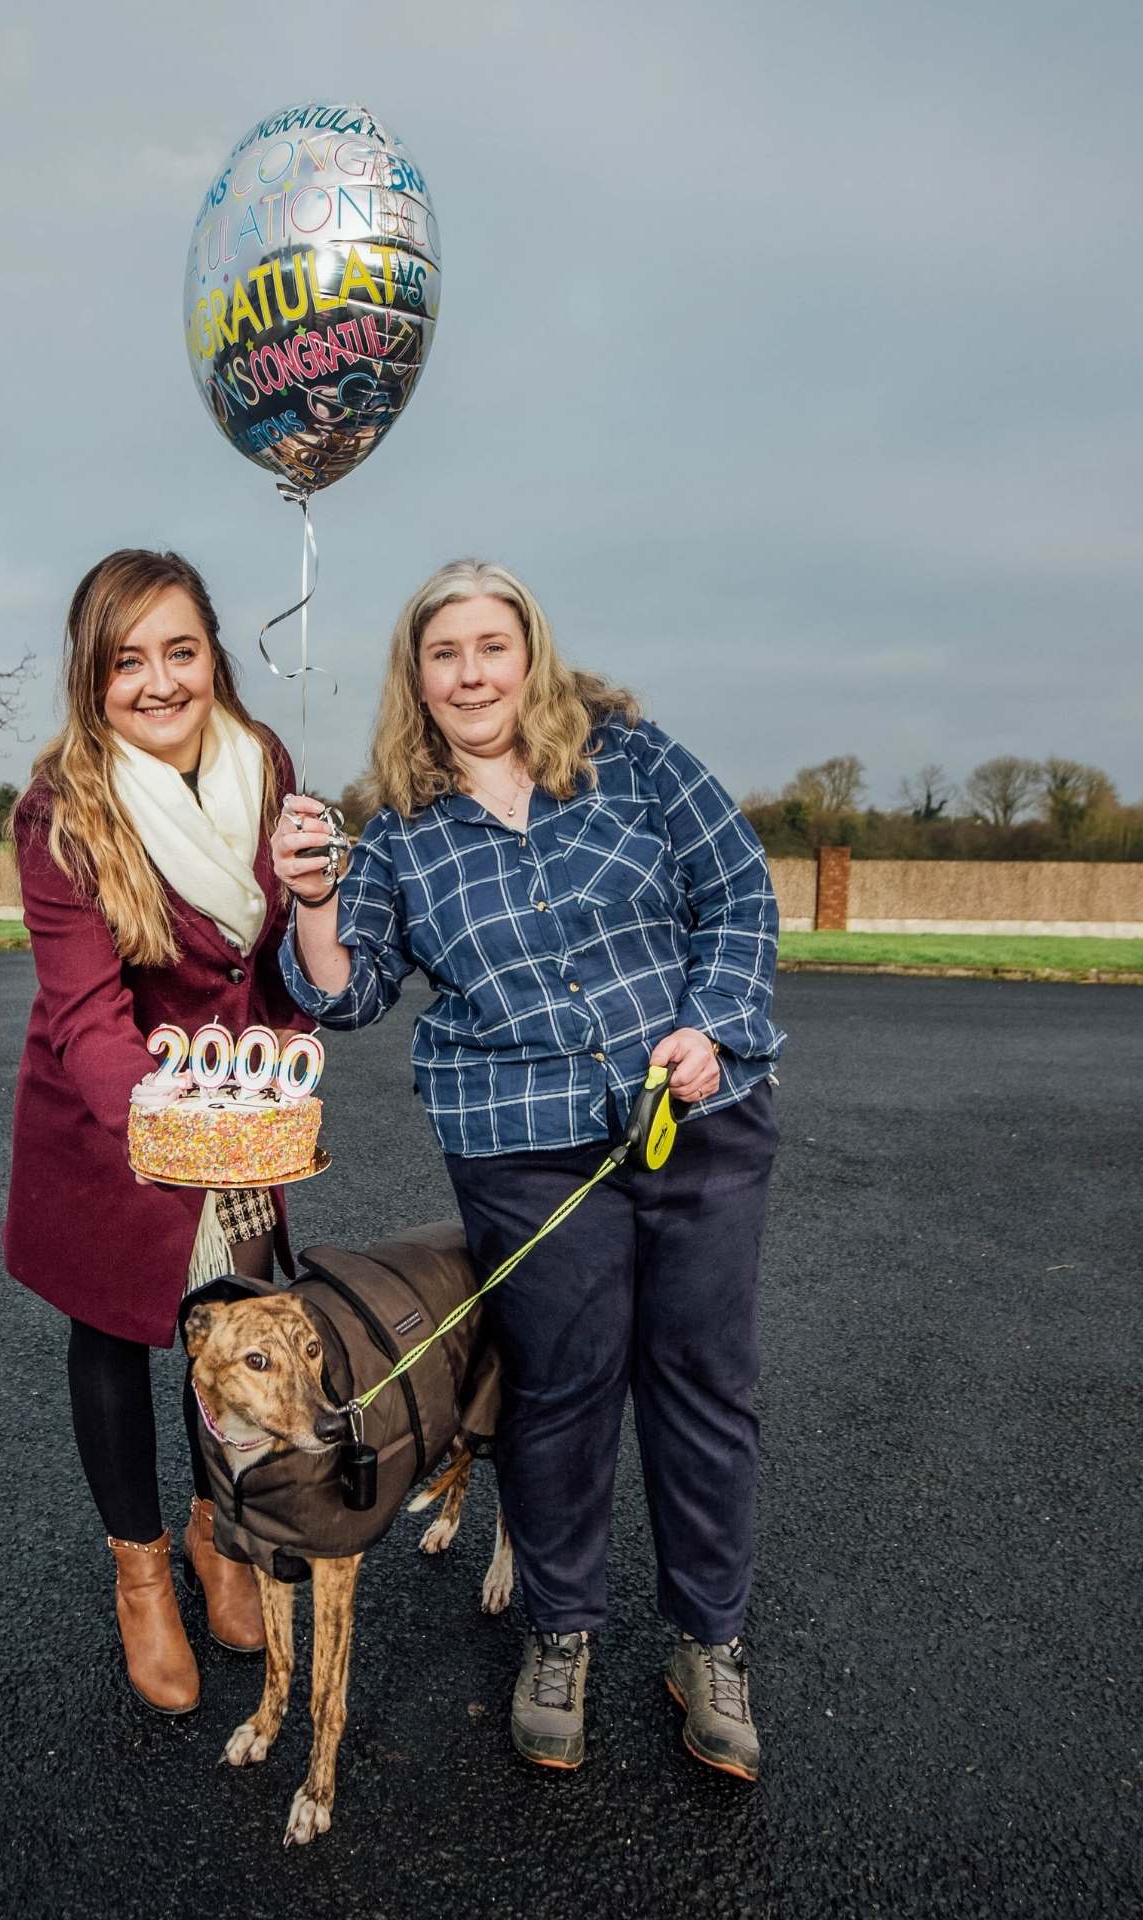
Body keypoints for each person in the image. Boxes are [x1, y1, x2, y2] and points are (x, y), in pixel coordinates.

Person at [268, 558, 784, 1780]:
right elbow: (349, 993)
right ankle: (561, 1630)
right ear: (419, 679)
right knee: (561, 1386)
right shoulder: (395, 826)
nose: (472, 672)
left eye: (493, 645)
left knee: (703, 1383)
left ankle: (709, 1642)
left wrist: (712, 1025)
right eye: (445, 654)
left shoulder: (638, 761)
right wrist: (308, 902)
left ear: (531, 653)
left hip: (691, 1113)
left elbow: (741, 896)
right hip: (523, 1141)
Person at [4, 548, 311, 1715]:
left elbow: (275, 945)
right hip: (115, 1115)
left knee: (228, 1334)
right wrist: (176, 1131)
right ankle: (140, 1574)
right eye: (127, 660)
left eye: (180, 651)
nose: (159, 681)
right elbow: (86, 1014)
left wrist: (294, 1019)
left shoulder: (266, 763)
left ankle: (216, 1535)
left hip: (238, 1105)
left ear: (213, 657)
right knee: (120, 1337)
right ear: (93, 679)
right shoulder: (61, 811)